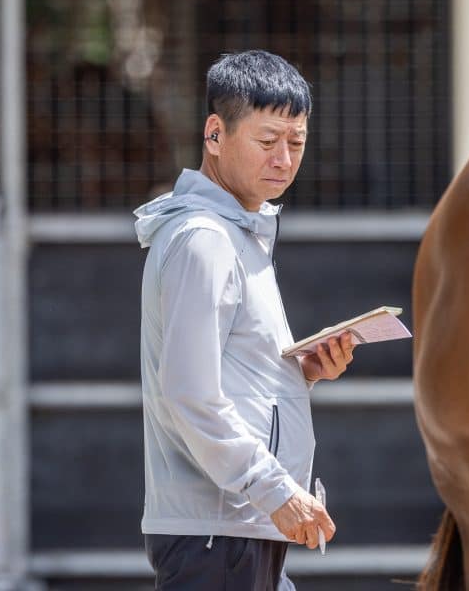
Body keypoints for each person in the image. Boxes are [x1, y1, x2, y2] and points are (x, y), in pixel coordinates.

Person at [133, 50, 354, 590]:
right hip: (218, 534)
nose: (283, 159)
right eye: (266, 141)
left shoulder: (239, 231)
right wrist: (275, 490)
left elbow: (221, 372)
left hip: (238, 529)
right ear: (215, 134)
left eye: (296, 143)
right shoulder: (205, 240)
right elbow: (189, 391)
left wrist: (299, 371)